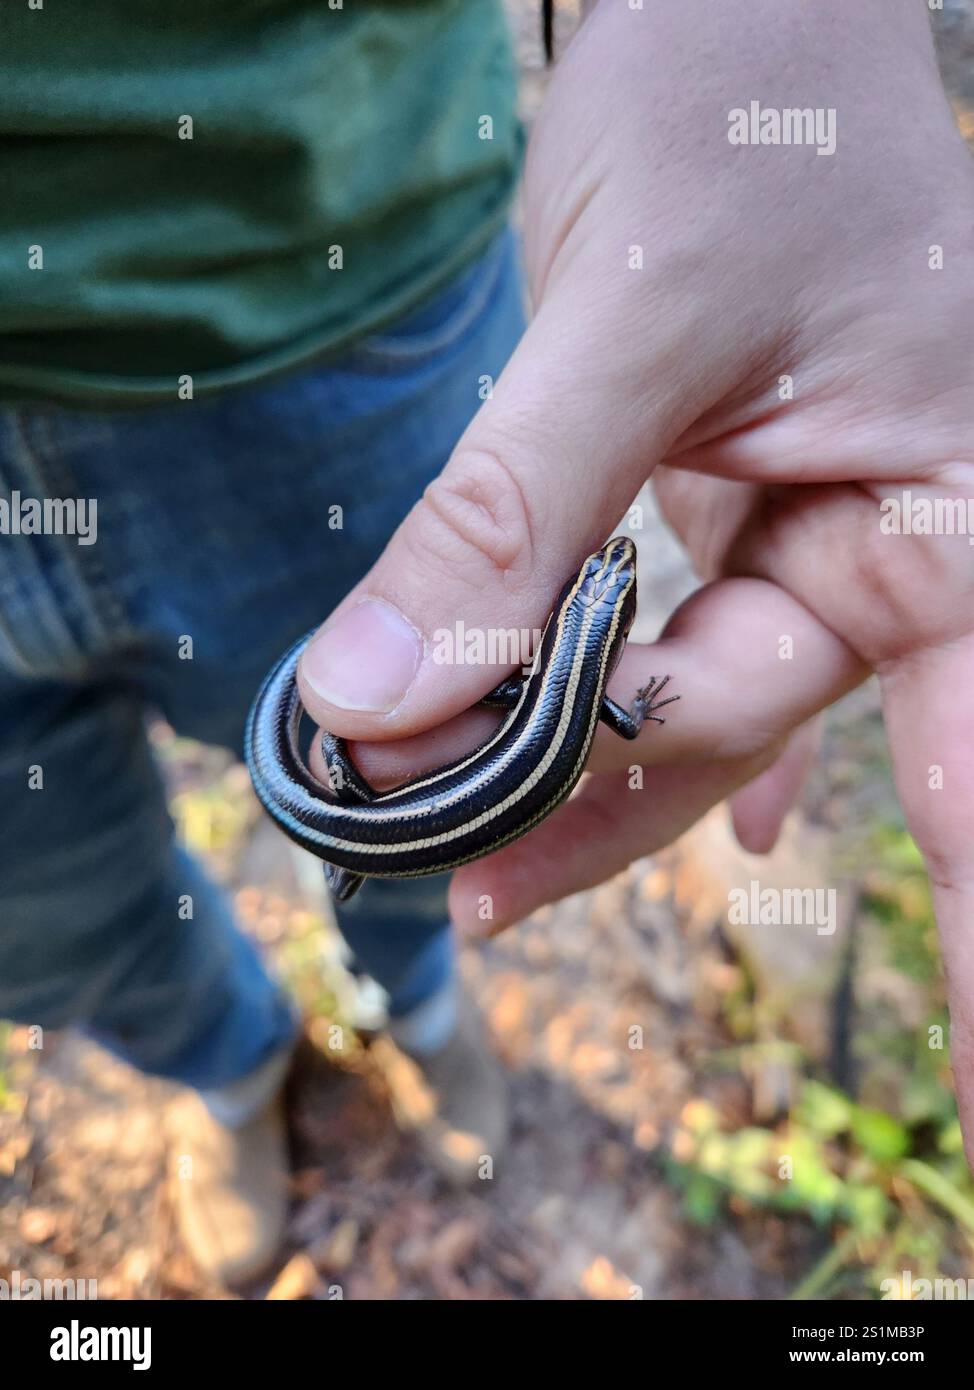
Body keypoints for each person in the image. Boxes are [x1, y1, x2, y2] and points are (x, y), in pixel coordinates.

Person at [2, 0, 972, 1288]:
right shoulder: (565, 684)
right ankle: (230, 1067)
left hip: (343, 309)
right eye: (604, 584)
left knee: (397, 850)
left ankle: (415, 1009)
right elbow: (605, 701)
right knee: (47, 907)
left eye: (604, 586)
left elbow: (589, 692)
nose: (606, 576)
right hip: (316, 426)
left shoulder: (554, 674)